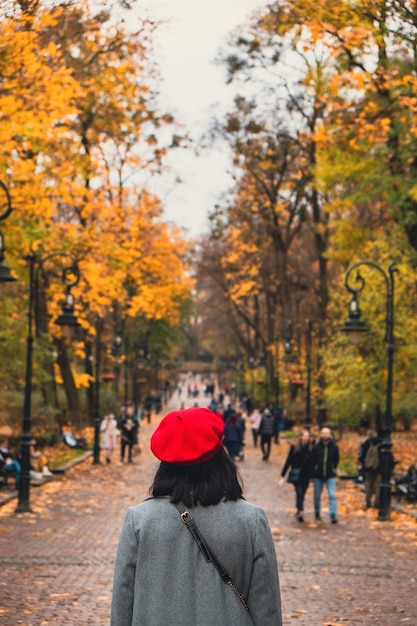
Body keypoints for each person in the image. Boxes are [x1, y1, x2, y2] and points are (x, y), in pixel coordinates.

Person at [111, 407, 282, 626]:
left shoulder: (140, 520)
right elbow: (266, 608)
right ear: (221, 459)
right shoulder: (251, 520)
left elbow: (123, 602)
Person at [280, 430, 312, 522]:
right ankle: (301, 511)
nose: (306, 438)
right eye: (305, 436)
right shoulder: (294, 448)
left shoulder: (310, 448)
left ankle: (298, 508)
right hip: (297, 475)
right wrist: (283, 474)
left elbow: (313, 462)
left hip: (306, 475)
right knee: (299, 492)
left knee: (303, 493)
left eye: (307, 436)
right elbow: (288, 461)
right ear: (301, 437)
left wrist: (312, 475)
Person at [311, 427, 339, 523]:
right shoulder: (316, 447)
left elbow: (336, 460)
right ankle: (317, 513)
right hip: (318, 475)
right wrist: (314, 471)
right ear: (320, 434)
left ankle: (333, 515)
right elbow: (313, 460)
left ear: (330, 435)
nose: (325, 435)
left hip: (330, 475)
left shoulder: (334, 447)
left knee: (332, 495)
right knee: (317, 496)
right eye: (323, 433)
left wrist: (332, 468)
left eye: (327, 433)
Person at [358, 429, 382, 509]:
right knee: (377, 485)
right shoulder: (381, 442)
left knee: (368, 483)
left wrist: (363, 464)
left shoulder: (365, 443)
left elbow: (360, 455)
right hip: (379, 467)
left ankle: (368, 501)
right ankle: (377, 502)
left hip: (368, 467)